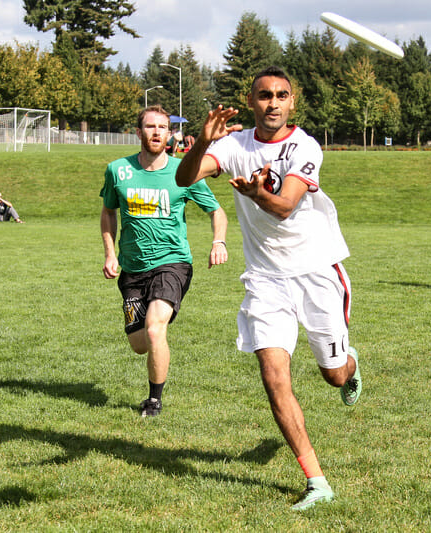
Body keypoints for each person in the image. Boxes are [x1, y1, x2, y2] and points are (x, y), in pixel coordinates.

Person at [175, 66, 361, 511]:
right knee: (274, 378)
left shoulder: (305, 146)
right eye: (263, 95)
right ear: (252, 99)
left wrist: (259, 196)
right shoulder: (232, 144)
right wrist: (203, 139)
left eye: (281, 95)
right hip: (264, 278)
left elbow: (285, 206)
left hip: (316, 272)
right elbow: (184, 179)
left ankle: (351, 369)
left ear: (291, 102)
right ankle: (317, 481)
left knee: (332, 373)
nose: (272, 102)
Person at [100, 105, 228, 418]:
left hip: (173, 263)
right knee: (140, 343)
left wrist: (218, 241)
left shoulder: (184, 171)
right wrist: (110, 252)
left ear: (170, 134)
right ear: (138, 131)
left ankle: (153, 401)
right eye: (150, 127)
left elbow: (217, 211)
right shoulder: (118, 170)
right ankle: (154, 320)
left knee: (156, 330)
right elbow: (108, 212)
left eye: (162, 127)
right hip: (132, 269)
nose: (157, 132)